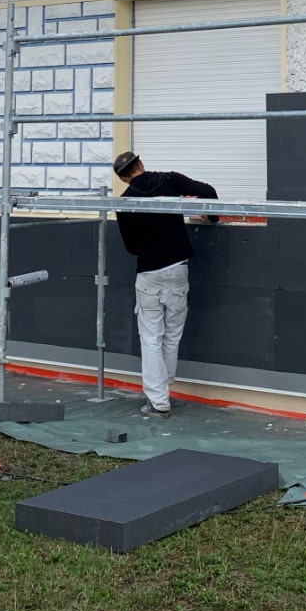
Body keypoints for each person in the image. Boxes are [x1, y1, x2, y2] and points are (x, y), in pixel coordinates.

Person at [112, 149, 219, 418]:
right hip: (178, 269)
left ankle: (158, 401)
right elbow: (208, 191)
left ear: (123, 178)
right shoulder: (169, 180)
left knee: (151, 338)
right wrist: (211, 218)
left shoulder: (125, 202)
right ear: (141, 163)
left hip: (150, 274)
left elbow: (131, 247)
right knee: (172, 334)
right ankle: (165, 384)